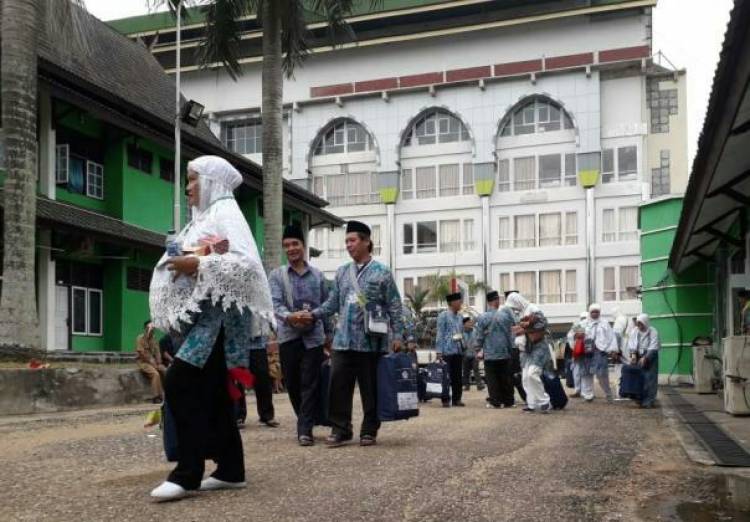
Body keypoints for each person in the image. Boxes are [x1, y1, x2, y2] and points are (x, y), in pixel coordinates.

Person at [148, 155, 274, 501]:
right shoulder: (206, 217)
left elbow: (247, 266)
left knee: (179, 381)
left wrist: (198, 262)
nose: (187, 187)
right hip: (204, 321)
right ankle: (231, 469)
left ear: (211, 181)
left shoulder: (226, 213)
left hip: (218, 323)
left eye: (192, 179)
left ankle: (188, 472)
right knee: (216, 394)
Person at [307, 220, 403, 448]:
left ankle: (369, 429)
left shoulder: (382, 273)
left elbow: (395, 307)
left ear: (366, 241)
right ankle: (341, 429)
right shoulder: (342, 272)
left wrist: (399, 335)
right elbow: (332, 304)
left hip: (371, 342)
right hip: (343, 341)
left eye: (352, 240)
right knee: (338, 386)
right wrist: (312, 315)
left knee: (370, 389)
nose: (348, 245)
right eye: (346, 241)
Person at [268, 223, 331, 446]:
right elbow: (274, 304)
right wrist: (291, 317)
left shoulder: (318, 276)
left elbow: (327, 305)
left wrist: (325, 330)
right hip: (288, 337)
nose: (291, 248)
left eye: (295, 243)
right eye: (287, 245)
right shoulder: (277, 276)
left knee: (309, 383)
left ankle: (304, 429)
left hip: (313, 338)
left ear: (304, 246)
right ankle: (305, 420)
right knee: (293, 384)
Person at [473, 290, 515, 408]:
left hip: (490, 353)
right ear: (497, 301)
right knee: (505, 378)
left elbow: (479, 336)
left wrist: (477, 349)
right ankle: (508, 401)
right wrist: (510, 349)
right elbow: (510, 335)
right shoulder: (505, 316)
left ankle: (496, 401)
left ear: (488, 302)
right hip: (504, 352)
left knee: (492, 379)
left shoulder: (483, 317)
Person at [578, 304, 615, 402]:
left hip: (600, 351)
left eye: (596, 312)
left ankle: (608, 393)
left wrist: (611, 350)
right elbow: (574, 335)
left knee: (602, 374)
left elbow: (611, 337)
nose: (594, 314)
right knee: (586, 374)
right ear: (589, 312)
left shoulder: (604, 323)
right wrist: (578, 335)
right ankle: (588, 395)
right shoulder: (583, 323)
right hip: (586, 352)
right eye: (593, 312)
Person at [436, 292, 466, 407]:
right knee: (446, 377)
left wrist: (463, 345)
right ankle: (445, 399)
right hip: (446, 351)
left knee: (457, 376)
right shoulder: (443, 316)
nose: (460, 303)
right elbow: (440, 333)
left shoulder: (460, 317)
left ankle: (457, 399)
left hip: (458, 350)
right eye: (459, 301)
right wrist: (439, 351)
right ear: (452, 303)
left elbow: (461, 333)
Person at [626, 313, 660, 408]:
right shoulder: (635, 331)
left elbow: (654, 345)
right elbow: (631, 343)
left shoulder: (653, 331)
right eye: (638, 323)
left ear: (645, 322)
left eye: (641, 324)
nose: (639, 326)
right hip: (638, 355)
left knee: (650, 379)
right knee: (639, 378)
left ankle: (649, 400)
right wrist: (633, 355)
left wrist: (646, 357)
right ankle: (639, 399)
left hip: (650, 355)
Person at [521, 312, 552, 413]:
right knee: (525, 378)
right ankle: (531, 404)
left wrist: (526, 328)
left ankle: (544, 401)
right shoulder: (523, 319)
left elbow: (536, 335)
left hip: (540, 350)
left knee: (532, 373)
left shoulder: (541, 322)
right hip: (528, 351)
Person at [136, 321, 166, 403]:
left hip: (154, 362)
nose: (152, 329)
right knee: (155, 374)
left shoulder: (154, 339)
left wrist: (159, 362)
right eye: (150, 327)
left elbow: (157, 352)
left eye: (153, 328)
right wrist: (152, 363)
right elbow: (142, 354)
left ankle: (168, 394)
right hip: (143, 362)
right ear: (146, 328)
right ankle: (156, 396)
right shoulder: (140, 338)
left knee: (165, 370)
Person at [566, 311, 588, 398]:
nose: (584, 320)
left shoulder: (590, 326)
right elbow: (570, 336)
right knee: (577, 372)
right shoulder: (576, 326)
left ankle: (585, 391)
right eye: (583, 319)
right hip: (578, 353)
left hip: (586, 353)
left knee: (585, 373)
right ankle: (578, 390)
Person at [461, 316, 483, 391]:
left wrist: (479, 349)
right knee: (466, 370)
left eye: (470, 322)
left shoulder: (475, 331)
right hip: (465, 354)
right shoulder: (461, 333)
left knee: (476, 369)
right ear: (464, 324)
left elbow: (479, 340)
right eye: (468, 322)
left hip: (474, 354)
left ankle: (479, 385)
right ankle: (466, 386)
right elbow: (461, 343)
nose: (470, 323)